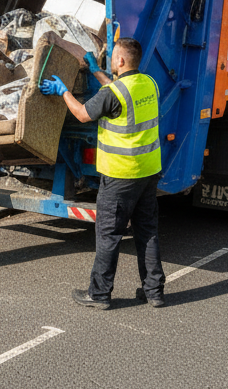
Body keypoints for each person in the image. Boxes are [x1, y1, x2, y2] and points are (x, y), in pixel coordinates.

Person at [39, 37, 165, 309]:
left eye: (112, 60)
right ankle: (154, 292)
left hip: (120, 177)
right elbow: (118, 92)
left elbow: (84, 114)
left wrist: (63, 91)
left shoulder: (114, 93)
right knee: (147, 232)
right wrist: (96, 70)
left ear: (120, 61)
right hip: (148, 173)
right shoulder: (149, 85)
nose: (110, 63)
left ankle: (99, 294)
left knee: (108, 235)